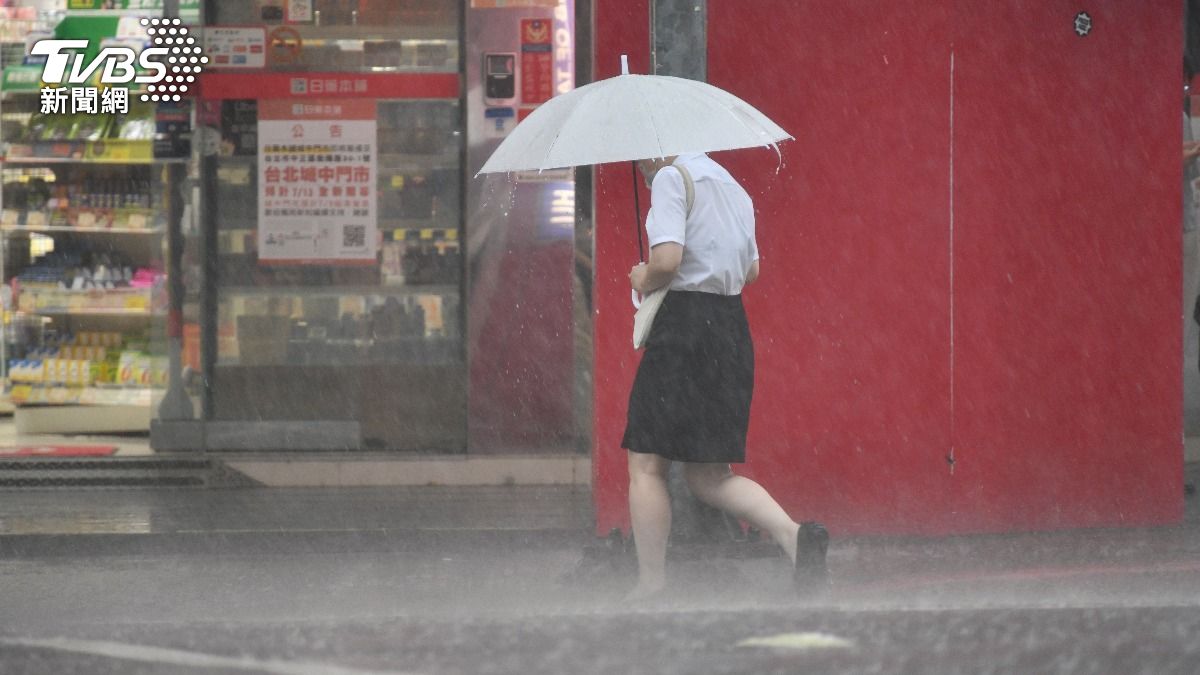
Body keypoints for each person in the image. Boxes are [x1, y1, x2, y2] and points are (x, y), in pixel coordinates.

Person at [623, 152, 828, 601]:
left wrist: (643, 275)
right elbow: (751, 270)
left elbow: (668, 260)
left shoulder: (670, 179)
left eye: (642, 157)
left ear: (664, 142)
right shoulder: (733, 186)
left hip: (684, 329)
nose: (640, 166)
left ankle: (651, 584)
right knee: (710, 474)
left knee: (646, 462)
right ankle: (795, 537)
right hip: (731, 329)